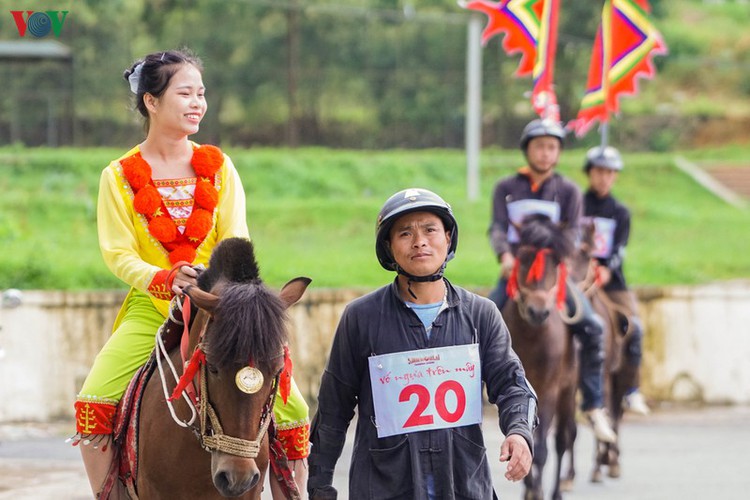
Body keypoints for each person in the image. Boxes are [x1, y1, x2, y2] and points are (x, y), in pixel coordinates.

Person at [72, 49, 309, 498]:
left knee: (293, 407)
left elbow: (236, 239)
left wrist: (213, 285)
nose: (198, 102)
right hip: (152, 305)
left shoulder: (219, 167)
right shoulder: (118, 175)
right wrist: (162, 279)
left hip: (222, 309)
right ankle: (111, 494)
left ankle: (290, 494)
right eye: (185, 92)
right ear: (151, 102)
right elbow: (117, 253)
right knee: (93, 400)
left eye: (201, 93)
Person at [307, 188, 537, 499]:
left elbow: (513, 385)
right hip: (382, 490)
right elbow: (334, 409)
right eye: (405, 233)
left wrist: (519, 433)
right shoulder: (360, 318)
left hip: (463, 489)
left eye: (430, 229)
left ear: (447, 238)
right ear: (388, 247)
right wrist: (320, 483)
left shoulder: (481, 315)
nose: (419, 241)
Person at [487, 118, 617, 443]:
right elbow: (498, 228)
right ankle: (474, 395)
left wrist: (556, 256)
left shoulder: (569, 190)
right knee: (480, 323)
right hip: (516, 273)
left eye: (552, 147)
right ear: (527, 149)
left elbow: (572, 235)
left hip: (553, 277)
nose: (545, 153)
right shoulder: (506, 188)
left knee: (593, 326)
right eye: (540, 146)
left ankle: (592, 403)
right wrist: (504, 255)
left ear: (558, 153)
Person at [583, 145, 650, 416]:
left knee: (635, 327)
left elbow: (619, 249)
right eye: (600, 171)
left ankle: (631, 389)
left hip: (612, 283)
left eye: (610, 173)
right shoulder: (577, 203)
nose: (604, 177)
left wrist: (605, 269)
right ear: (590, 173)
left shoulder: (620, 212)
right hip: (578, 279)